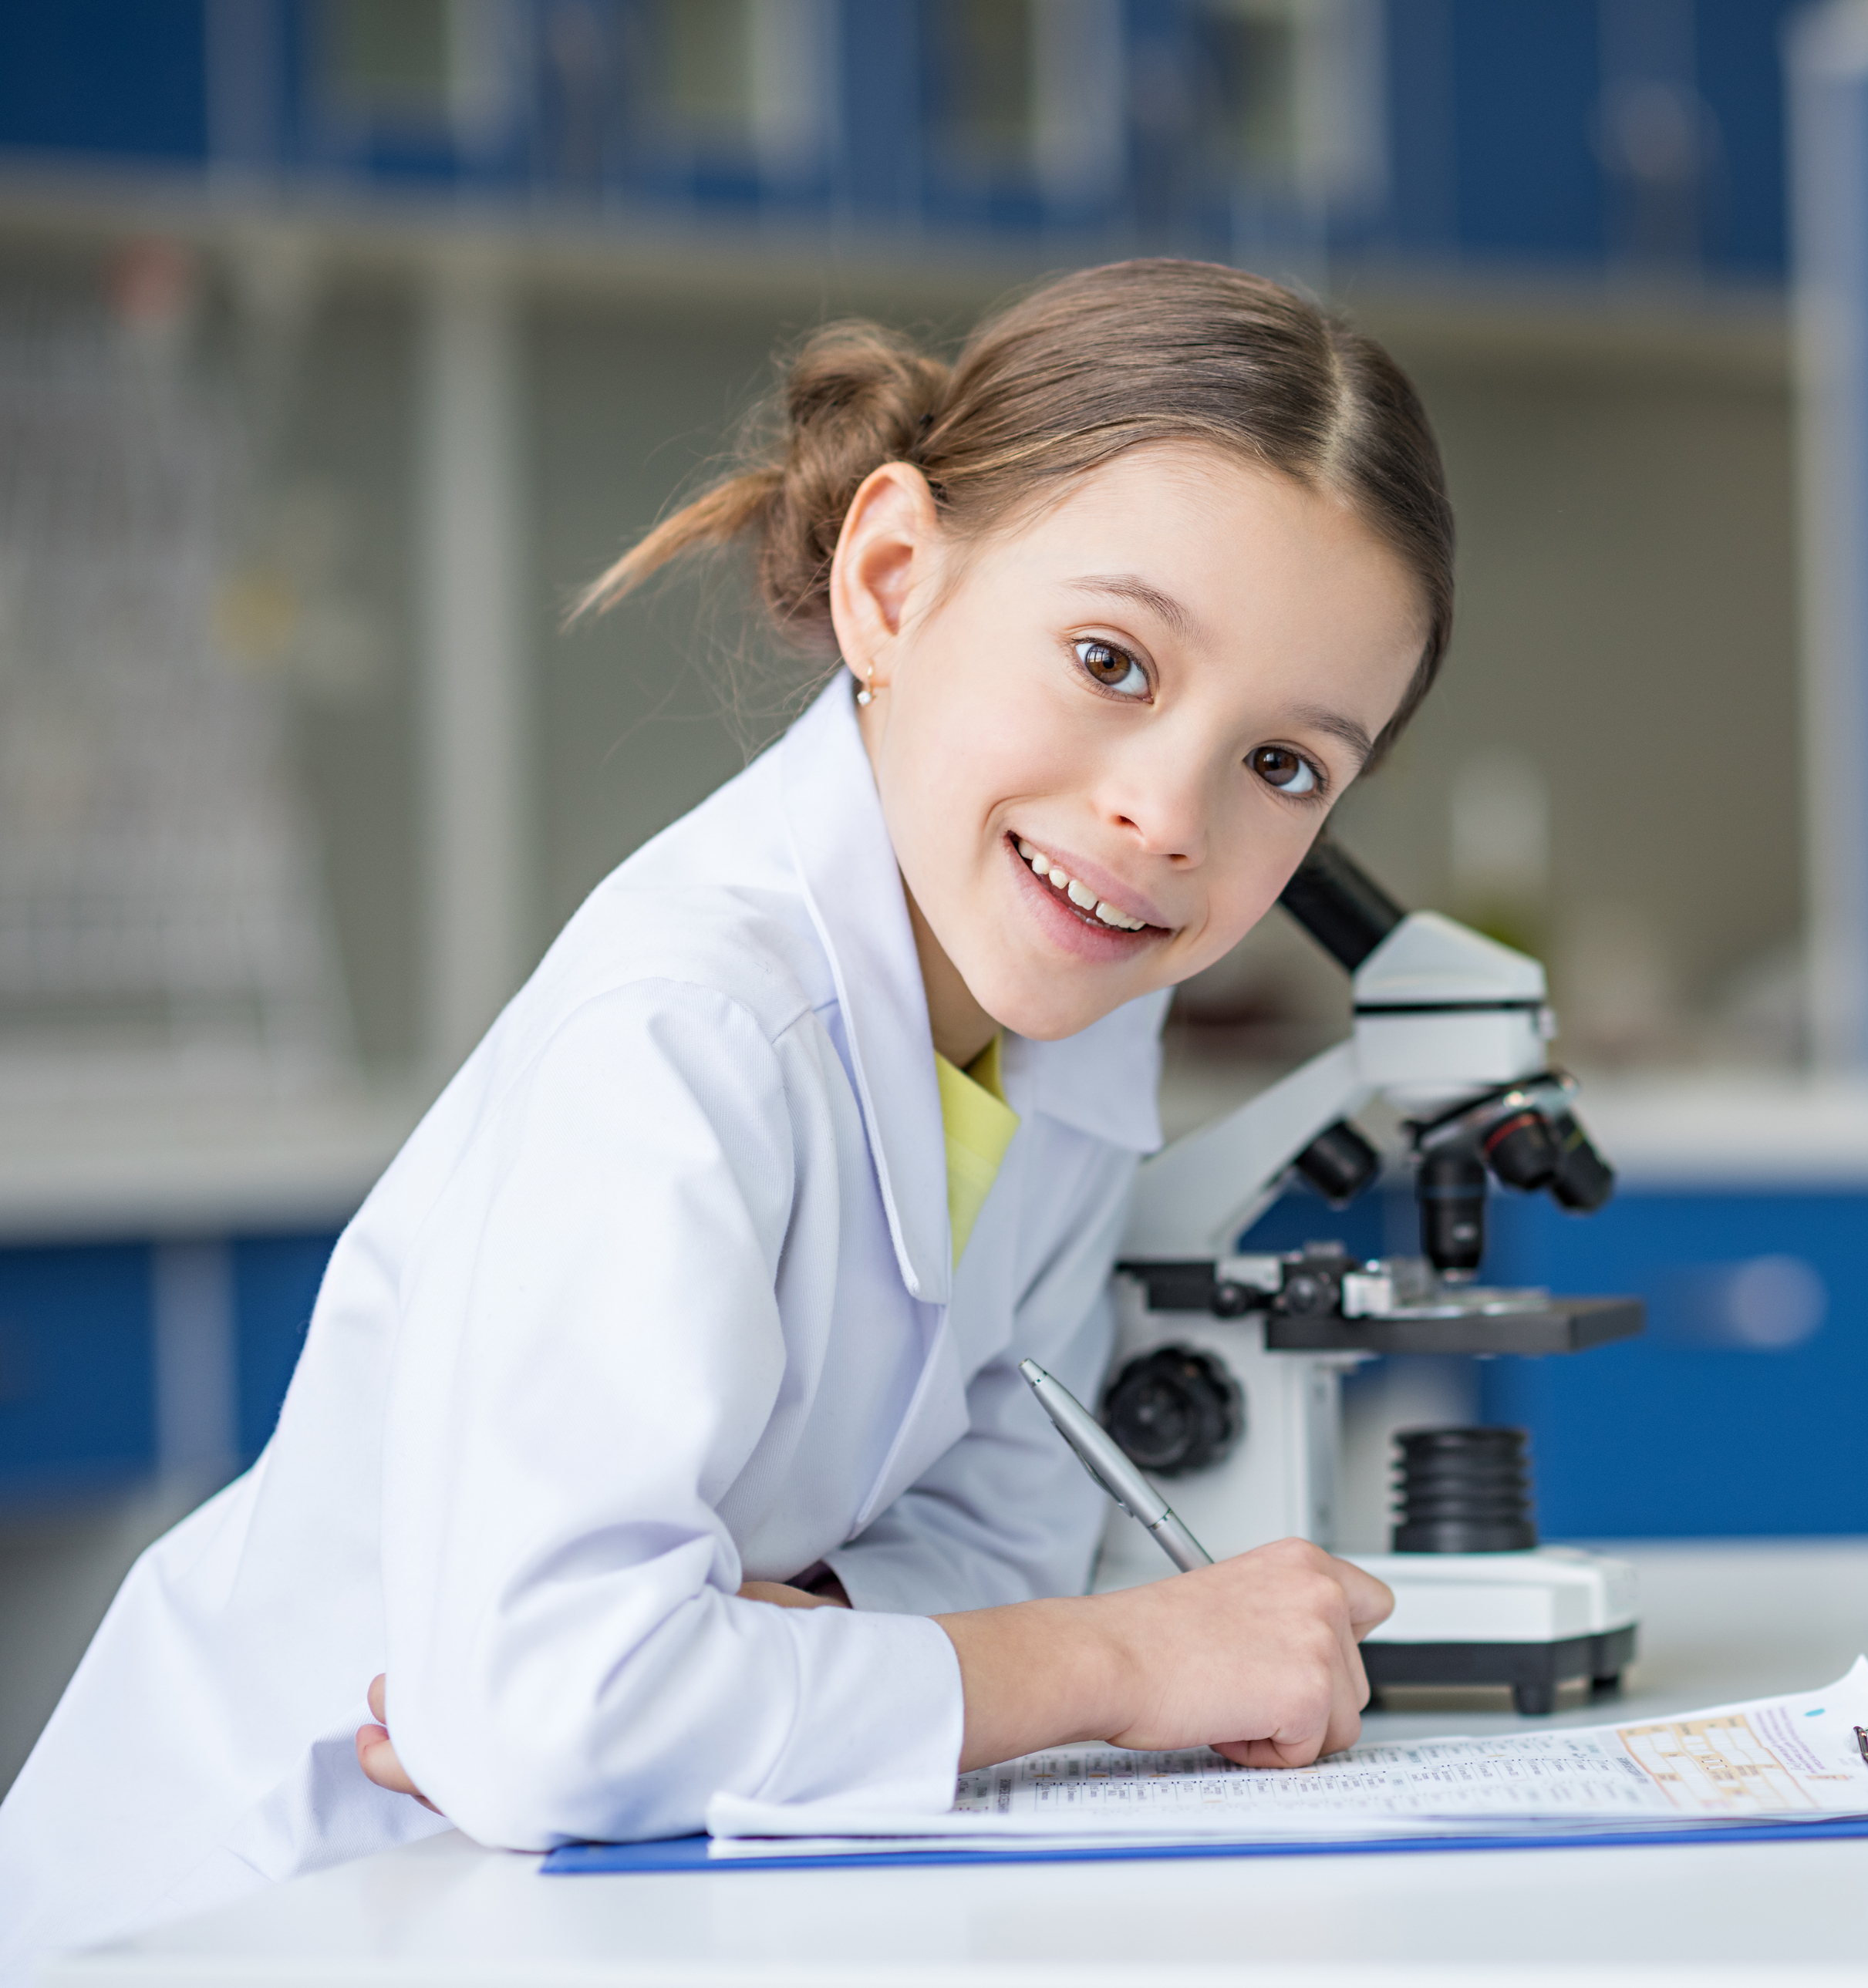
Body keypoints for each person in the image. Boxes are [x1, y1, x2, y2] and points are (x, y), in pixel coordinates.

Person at [0, 258, 1453, 1977]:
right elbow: (549, 1712)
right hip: (244, 1905)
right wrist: (1128, 1659)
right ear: (894, 582)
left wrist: (782, 1644)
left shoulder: (1066, 1021)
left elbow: (1001, 1529)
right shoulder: (688, 1028)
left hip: (541, 1897)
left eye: (1285, 765)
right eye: (1109, 658)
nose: (1163, 813)